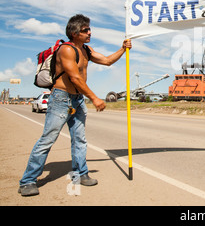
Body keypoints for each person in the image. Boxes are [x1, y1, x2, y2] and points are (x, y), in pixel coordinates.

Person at [19, 14, 132, 196]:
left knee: (79, 139)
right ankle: (28, 181)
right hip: (61, 99)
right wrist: (94, 98)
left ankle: (81, 173)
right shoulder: (67, 50)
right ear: (74, 33)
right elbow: (74, 77)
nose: (89, 32)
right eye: (85, 30)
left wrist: (122, 49)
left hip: (77, 100)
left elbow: (107, 61)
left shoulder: (86, 50)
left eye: (89, 29)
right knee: (47, 140)